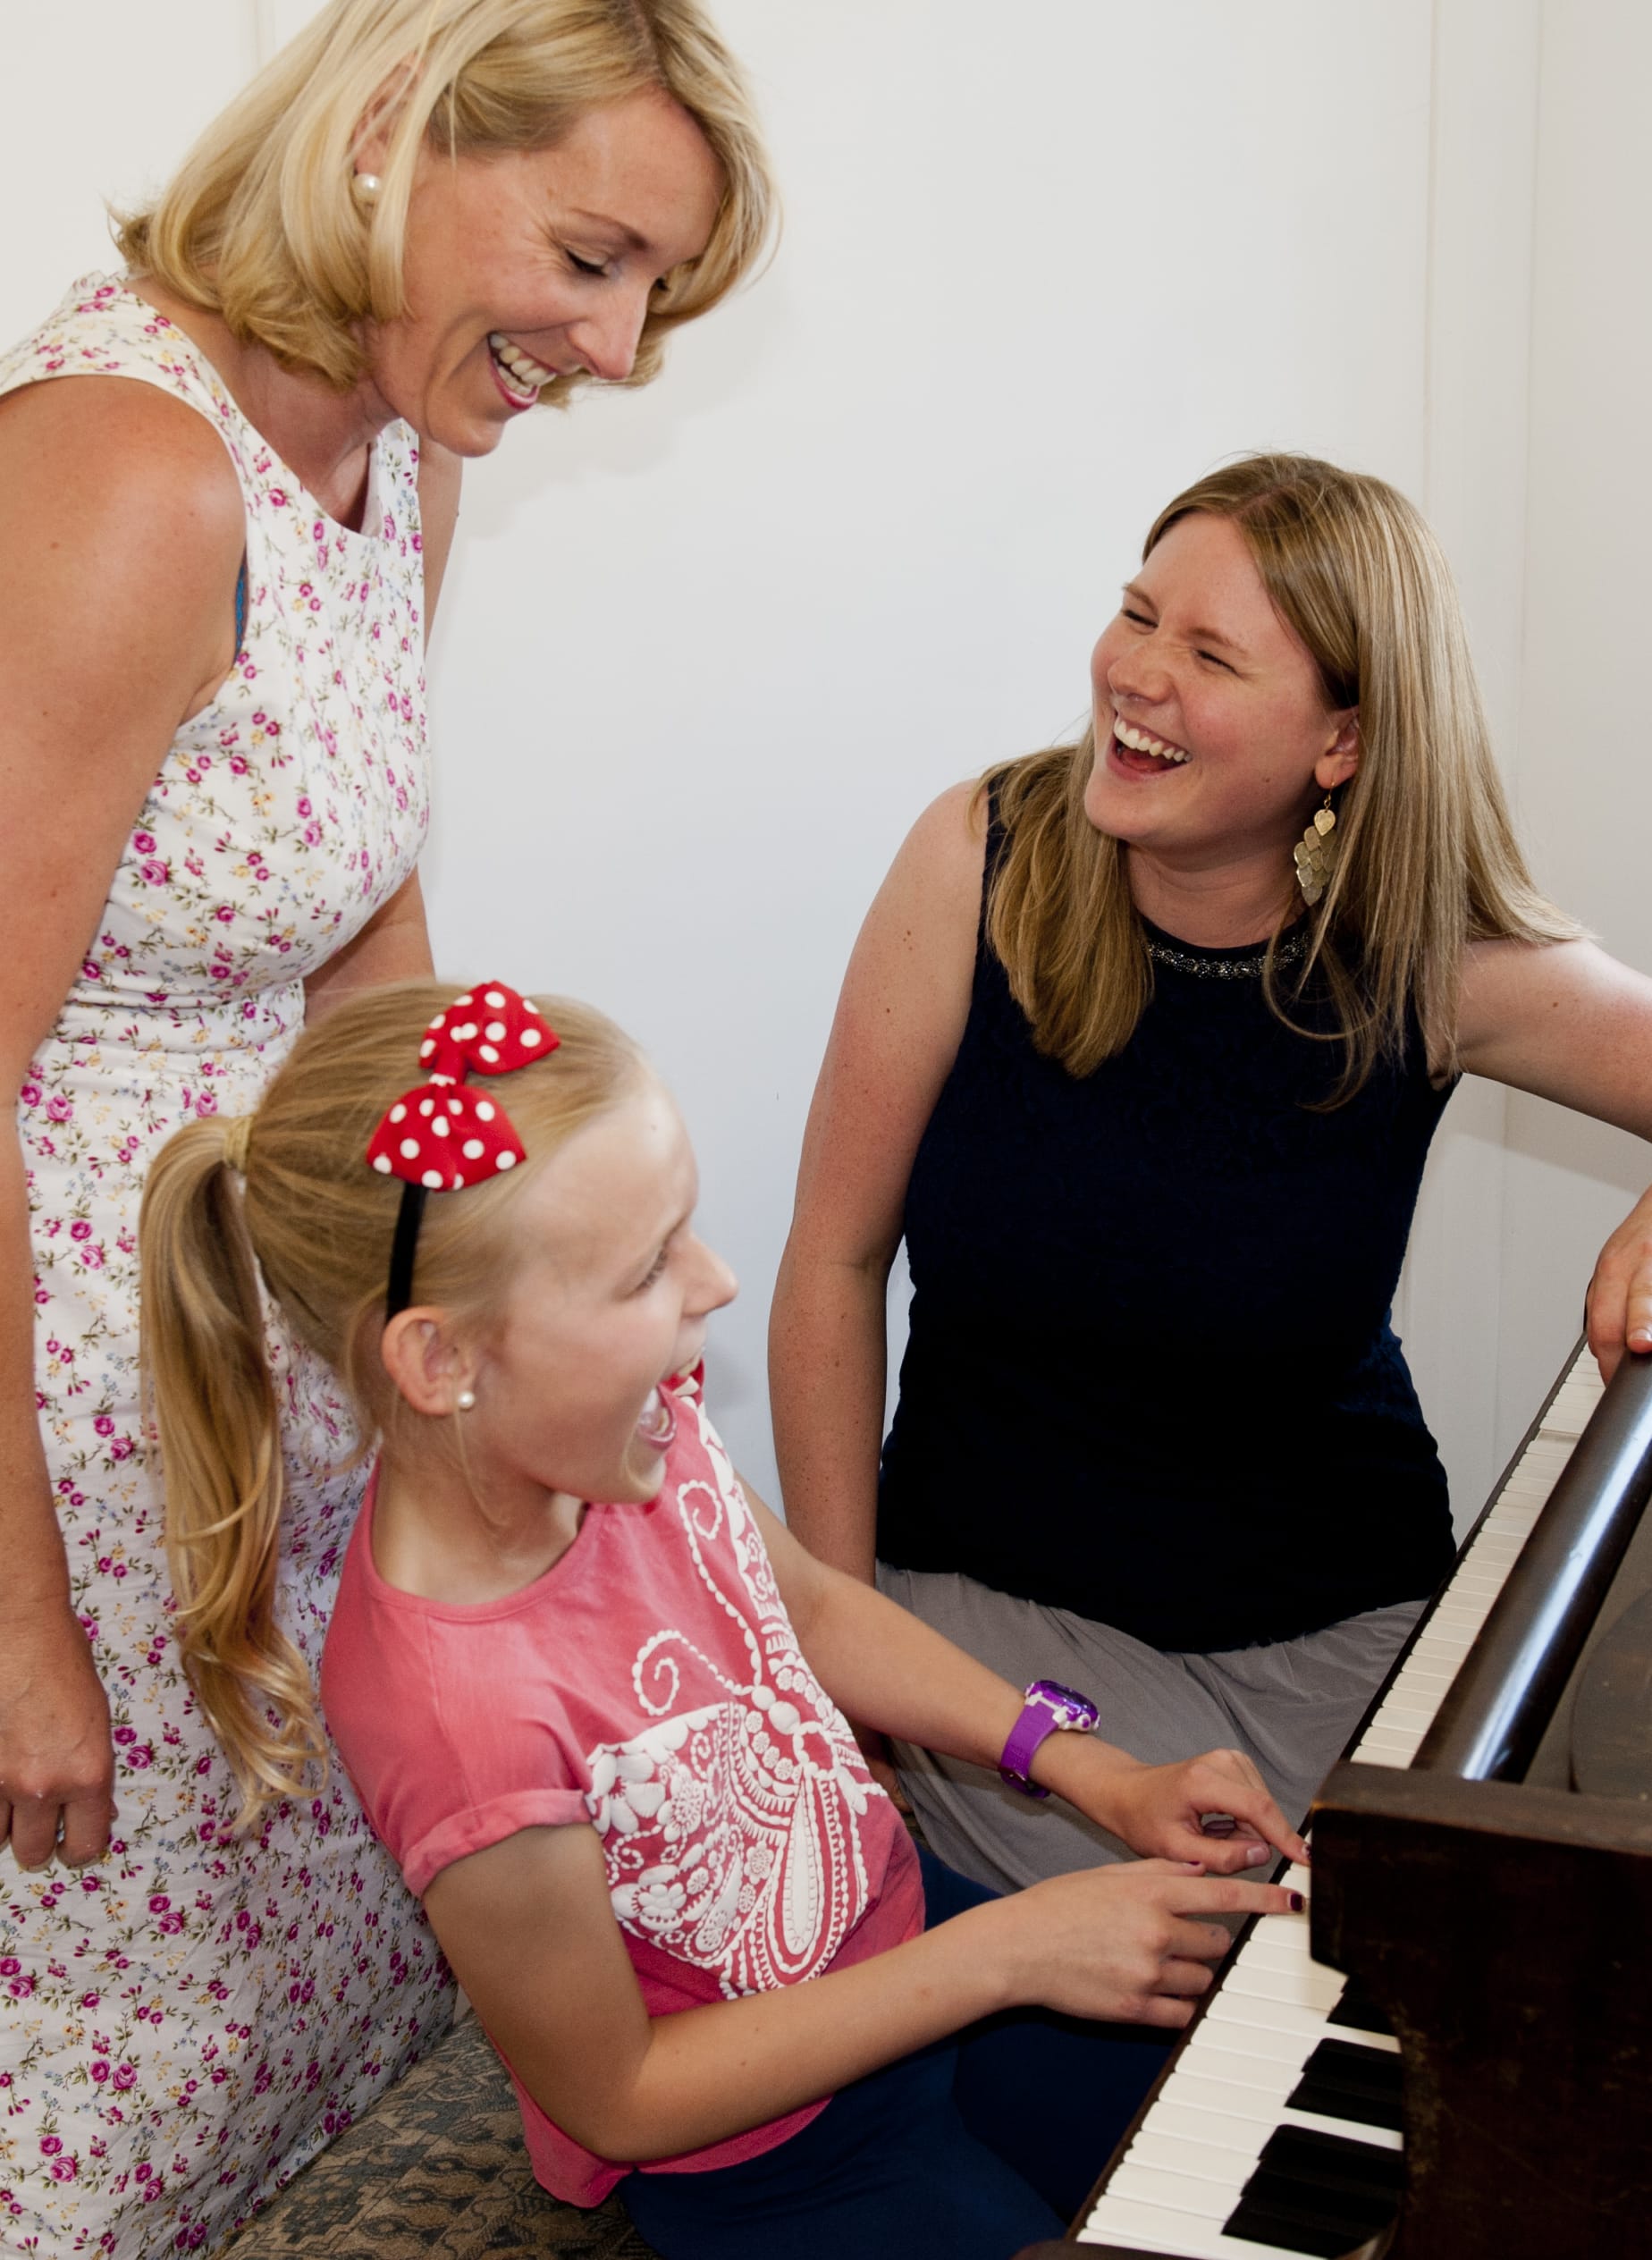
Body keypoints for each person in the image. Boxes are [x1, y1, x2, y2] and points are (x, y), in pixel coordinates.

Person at [0, 4, 773, 2249]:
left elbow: (368, 940)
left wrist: (500, 1312)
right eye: (599, 255)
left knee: (314, 2048)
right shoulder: (122, 472)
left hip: (281, 1381)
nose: (621, 351)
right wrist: (18, 1616)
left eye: (659, 295)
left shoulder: (396, 457)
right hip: (67, 1431)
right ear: (383, 140)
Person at [134, 975, 1303, 2260]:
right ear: (442, 1360)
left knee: (1271, 2130)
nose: (718, 1283)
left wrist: (1090, 1766)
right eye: (647, 1269)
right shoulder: (448, 1714)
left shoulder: (636, 1433)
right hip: (777, 2169)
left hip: (919, 1949)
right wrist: (1005, 1957)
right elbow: (618, 2095)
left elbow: (799, 1603)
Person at [767, 451, 1652, 1896]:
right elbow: (831, 1262)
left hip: (1337, 1634)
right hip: (994, 1622)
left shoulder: (1421, 956)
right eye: (1137, 614)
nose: (1137, 675)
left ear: (1343, 745)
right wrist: (837, 1643)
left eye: (1210, 654)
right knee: (1212, 1990)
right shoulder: (978, 858)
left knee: (1419, 1982)